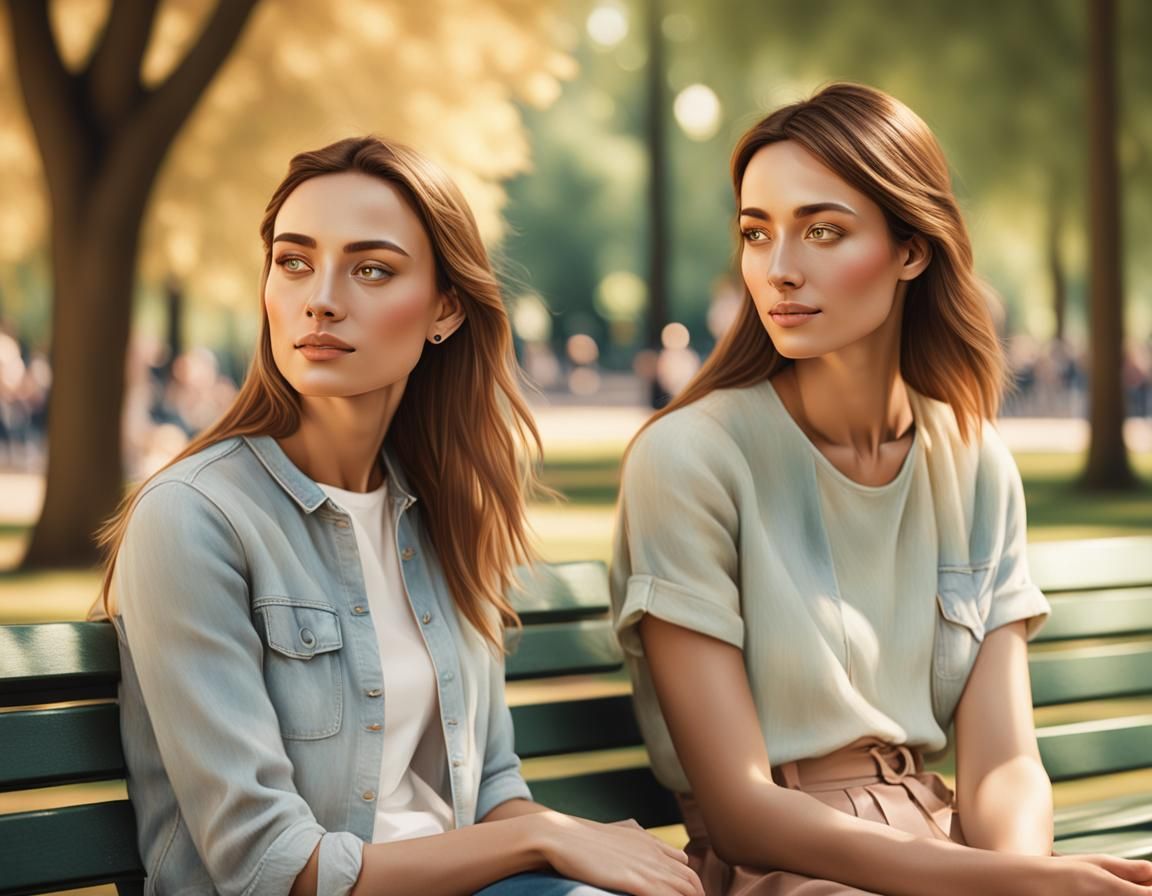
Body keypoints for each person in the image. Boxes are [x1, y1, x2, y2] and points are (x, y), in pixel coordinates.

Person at [96, 136, 702, 896]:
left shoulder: (443, 511)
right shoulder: (193, 519)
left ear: (445, 308)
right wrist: (546, 837)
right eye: (293, 261)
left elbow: (488, 789)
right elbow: (269, 868)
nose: (320, 296)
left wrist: (574, 856)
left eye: (371, 268)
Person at [610, 83, 1152, 895]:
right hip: (795, 868)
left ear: (912, 249)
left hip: (950, 846)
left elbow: (1004, 762)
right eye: (757, 233)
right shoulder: (689, 458)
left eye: (823, 231)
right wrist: (1002, 888)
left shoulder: (973, 462)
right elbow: (739, 810)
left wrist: (1022, 879)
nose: (779, 269)